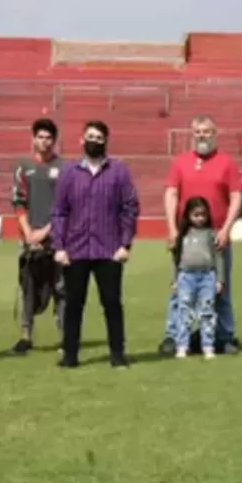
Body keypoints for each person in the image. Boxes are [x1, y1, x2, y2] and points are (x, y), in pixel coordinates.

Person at [53, 121, 139, 369]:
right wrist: (59, 246)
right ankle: (70, 356)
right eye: (90, 136)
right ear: (82, 140)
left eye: (99, 137)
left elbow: (130, 208)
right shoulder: (69, 173)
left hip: (109, 249)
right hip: (75, 250)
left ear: (106, 141)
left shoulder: (119, 171)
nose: (94, 141)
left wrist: (126, 243)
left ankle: (118, 354)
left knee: (112, 303)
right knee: (73, 305)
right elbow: (59, 211)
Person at [162, 115, 242, 356]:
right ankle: (174, 335)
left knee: (221, 287)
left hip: (215, 238)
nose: (202, 136)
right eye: (198, 132)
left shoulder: (227, 163)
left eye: (206, 131)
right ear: (192, 134)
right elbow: (171, 193)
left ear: (215, 133)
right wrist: (172, 229)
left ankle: (224, 335)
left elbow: (236, 196)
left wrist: (227, 229)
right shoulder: (180, 162)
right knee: (180, 288)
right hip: (186, 238)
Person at [11, 118, 65, 354]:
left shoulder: (65, 168)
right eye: (40, 137)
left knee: (61, 288)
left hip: (58, 238)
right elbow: (18, 201)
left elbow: (66, 206)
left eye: (48, 138)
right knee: (28, 288)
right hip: (29, 239)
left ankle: (66, 335)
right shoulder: (23, 167)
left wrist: (46, 231)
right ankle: (25, 336)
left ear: (54, 141)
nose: (44, 142)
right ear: (33, 139)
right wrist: (28, 232)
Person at [169, 197, 227, 360]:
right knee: (184, 310)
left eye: (203, 215)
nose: (200, 218)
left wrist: (220, 280)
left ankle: (208, 345)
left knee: (207, 311)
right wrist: (174, 280)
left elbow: (219, 257)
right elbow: (175, 259)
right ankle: (182, 345)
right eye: (196, 215)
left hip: (207, 277)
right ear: (188, 215)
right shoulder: (182, 235)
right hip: (186, 276)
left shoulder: (211, 234)